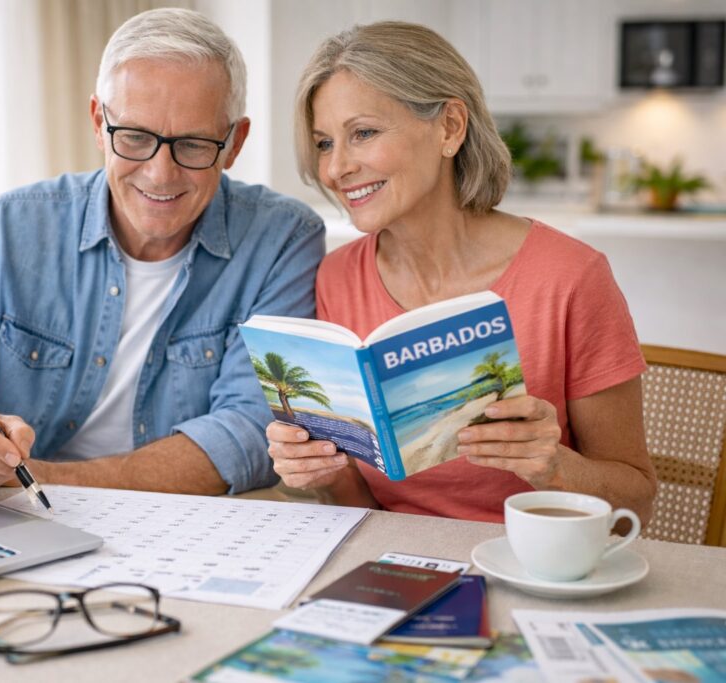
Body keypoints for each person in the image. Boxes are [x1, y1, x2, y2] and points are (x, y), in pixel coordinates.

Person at [0, 8, 324, 497]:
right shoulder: (9, 229)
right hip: (16, 515)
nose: (160, 174)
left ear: (234, 142)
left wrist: (38, 479)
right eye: (136, 137)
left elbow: (249, 433)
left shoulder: (284, 240)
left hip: (175, 524)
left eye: (192, 145)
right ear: (99, 123)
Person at [266, 21, 657, 524]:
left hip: (530, 565)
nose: (336, 168)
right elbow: (363, 511)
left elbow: (638, 501)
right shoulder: (336, 277)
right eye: (324, 143)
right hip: (393, 562)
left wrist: (553, 466)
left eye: (362, 133)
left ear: (450, 127)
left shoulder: (570, 278)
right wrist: (320, 471)